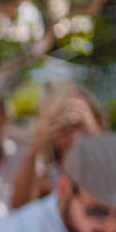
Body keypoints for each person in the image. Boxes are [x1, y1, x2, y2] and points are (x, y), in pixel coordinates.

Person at [9, 81, 107, 210]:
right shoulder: (47, 177)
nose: (70, 118)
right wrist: (38, 140)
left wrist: (93, 136)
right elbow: (19, 207)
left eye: (78, 110)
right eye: (60, 112)